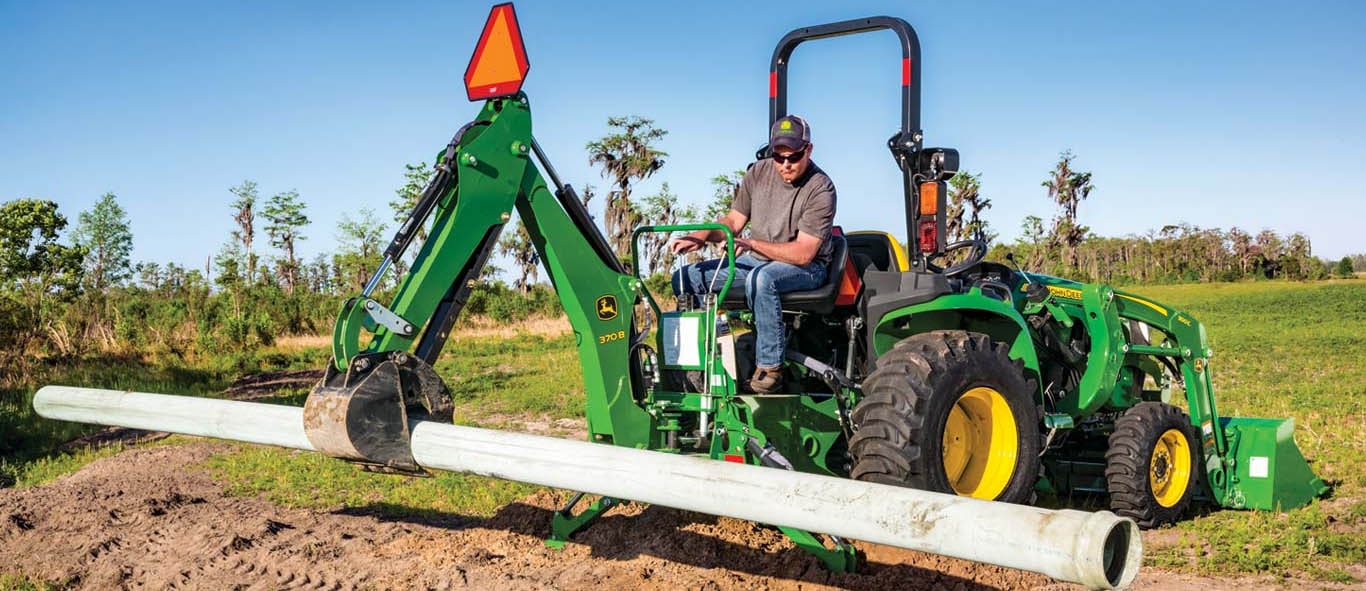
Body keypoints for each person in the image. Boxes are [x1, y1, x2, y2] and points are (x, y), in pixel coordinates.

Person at [669, 115, 837, 394]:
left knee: (762, 279)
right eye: (778, 156)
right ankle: (695, 364)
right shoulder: (758, 173)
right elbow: (733, 222)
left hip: (808, 269)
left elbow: (804, 253)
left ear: (808, 149)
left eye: (793, 157)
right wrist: (699, 235)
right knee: (687, 278)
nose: (785, 164)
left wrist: (751, 244)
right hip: (758, 261)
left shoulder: (820, 188)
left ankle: (770, 368)